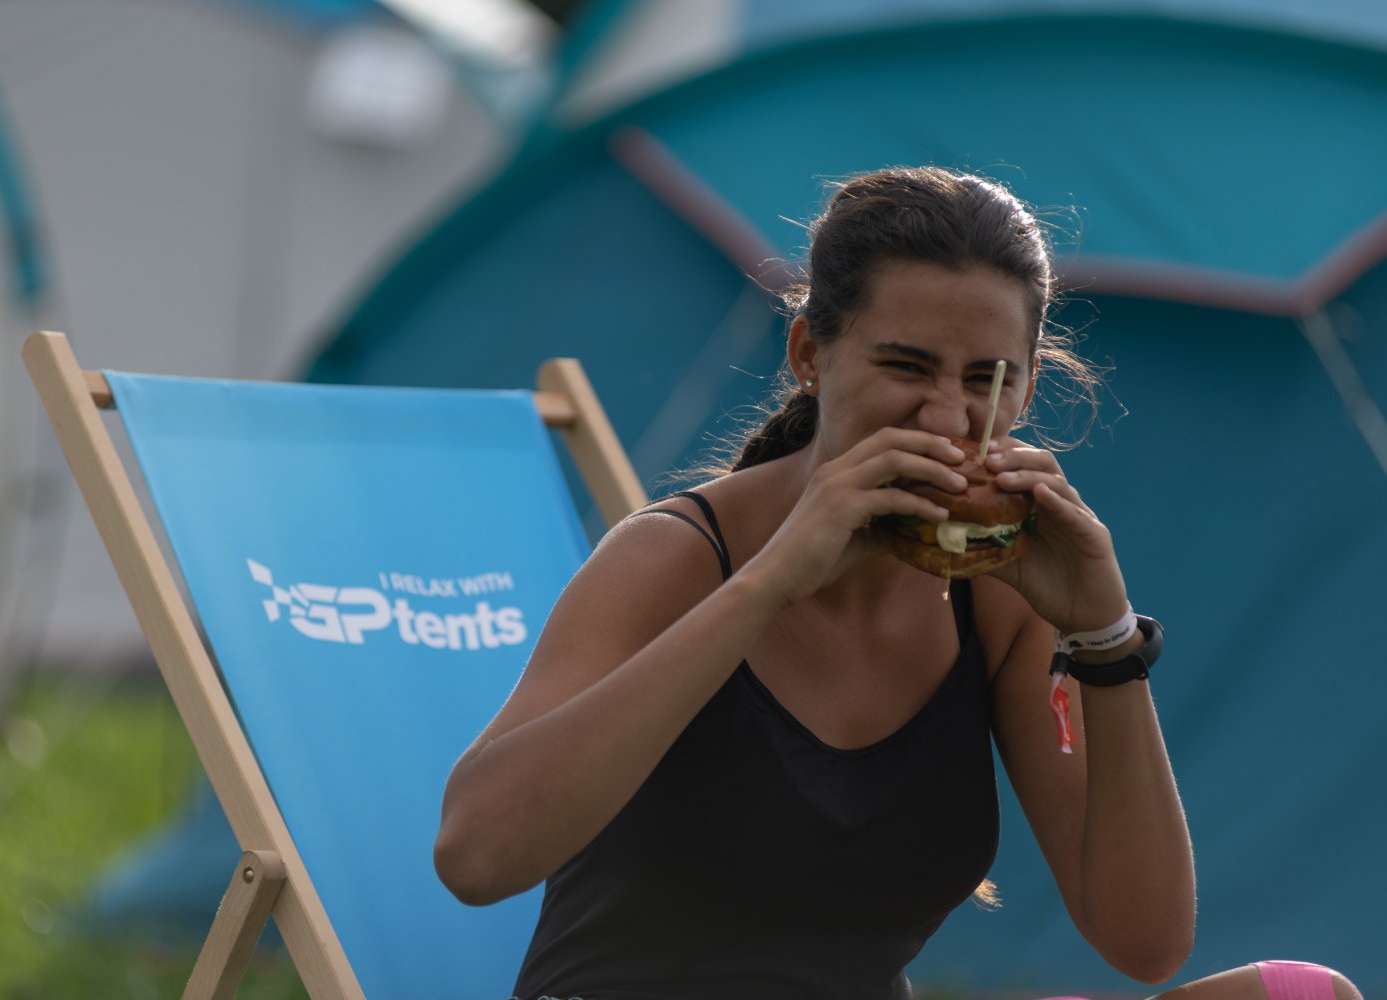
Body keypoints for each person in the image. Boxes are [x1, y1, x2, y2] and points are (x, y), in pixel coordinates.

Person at [433, 166, 1361, 1000]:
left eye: (988, 379)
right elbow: (476, 856)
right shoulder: (677, 557)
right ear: (808, 354)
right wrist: (768, 584)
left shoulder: (997, 592)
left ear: (1028, 392)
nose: (948, 415)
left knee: (1301, 996)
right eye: (905, 366)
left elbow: (1145, 942)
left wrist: (1107, 637)